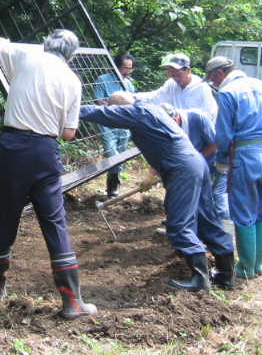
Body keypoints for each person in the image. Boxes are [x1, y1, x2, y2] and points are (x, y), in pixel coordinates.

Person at [0, 29, 97, 320]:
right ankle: (73, 301)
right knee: (54, 220)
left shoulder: (26, 54)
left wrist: (7, 42)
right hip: (46, 151)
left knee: (3, 214)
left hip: (13, 147)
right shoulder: (73, 80)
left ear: (46, 44)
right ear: (71, 56)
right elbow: (69, 133)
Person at [81, 91, 235, 291]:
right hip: (196, 164)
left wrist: (69, 108)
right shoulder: (150, 109)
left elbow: (100, 113)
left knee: (179, 223)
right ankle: (225, 275)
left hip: (182, 168)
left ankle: (199, 279)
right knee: (206, 219)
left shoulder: (137, 112)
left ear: (121, 108)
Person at [204, 56, 262, 280]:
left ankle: (245, 268)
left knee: (244, 210)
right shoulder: (261, 85)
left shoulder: (228, 92)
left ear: (219, 74)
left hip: (246, 156)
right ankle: (257, 265)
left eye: (212, 79)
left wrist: (221, 160)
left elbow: (224, 133)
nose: (213, 84)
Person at [159, 103, 230, 223]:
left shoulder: (198, 118)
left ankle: (225, 232)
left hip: (218, 165)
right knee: (184, 192)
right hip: (193, 167)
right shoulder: (165, 128)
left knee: (218, 198)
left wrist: (195, 160)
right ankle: (181, 221)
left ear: (175, 119)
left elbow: (215, 143)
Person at [93, 53, 137, 197]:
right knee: (112, 154)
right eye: (125, 68)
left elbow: (134, 104)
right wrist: (117, 106)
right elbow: (98, 101)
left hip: (124, 125)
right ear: (117, 66)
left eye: (130, 69)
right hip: (106, 124)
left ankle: (112, 185)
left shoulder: (128, 84)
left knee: (122, 155)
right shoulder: (103, 80)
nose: (128, 71)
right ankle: (115, 186)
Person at [135, 53, 218, 121]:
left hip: (195, 131)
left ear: (188, 70)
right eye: (173, 75)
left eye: (178, 74)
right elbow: (156, 97)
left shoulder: (201, 86)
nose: (176, 78)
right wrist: (135, 96)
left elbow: (211, 113)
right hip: (176, 130)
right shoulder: (171, 84)